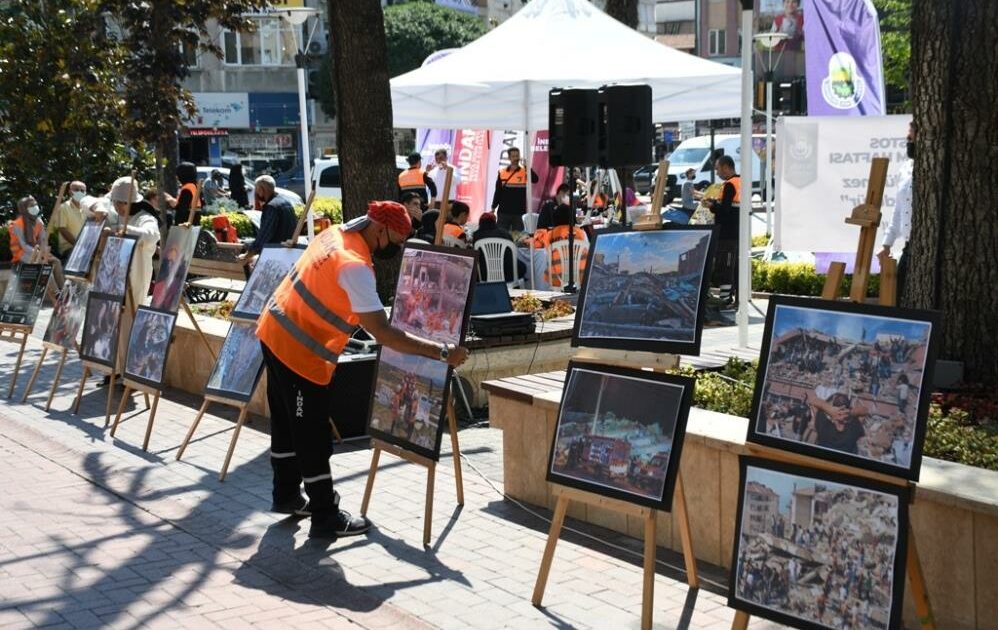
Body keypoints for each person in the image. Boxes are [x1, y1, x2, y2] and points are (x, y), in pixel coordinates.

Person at [255, 201, 470, 539]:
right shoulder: (354, 265)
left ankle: (286, 495)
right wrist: (440, 352)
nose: (396, 249)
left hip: (274, 329)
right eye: (396, 242)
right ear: (379, 229)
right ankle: (324, 515)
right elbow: (382, 333)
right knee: (310, 433)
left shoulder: (334, 235)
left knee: (285, 421)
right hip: (299, 351)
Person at [98, 176, 161, 381]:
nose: (117, 207)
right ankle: (113, 369)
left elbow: (151, 235)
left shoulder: (144, 218)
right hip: (114, 280)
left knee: (130, 325)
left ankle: (131, 372)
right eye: (115, 203)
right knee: (112, 325)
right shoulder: (115, 215)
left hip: (134, 282)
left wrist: (126, 230)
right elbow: (90, 204)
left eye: (120, 203)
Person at [879, 122, 915, 297]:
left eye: (912, 138)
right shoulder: (905, 168)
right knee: (899, 294)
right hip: (910, 248)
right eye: (908, 138)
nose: (909, 142)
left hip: (932, 248)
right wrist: (887, 245)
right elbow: (898, 210)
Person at [239, 175, 297, 271]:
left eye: (257, 190)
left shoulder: (271, 207)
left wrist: (246, 256)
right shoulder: (286, 202)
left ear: (261, 189)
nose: (256, 193)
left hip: (275, 256)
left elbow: (264, 237)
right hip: (287, 253)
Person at [704, 155, 740, 304]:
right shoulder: (740, 181)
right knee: (733, 266)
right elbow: (730, 206)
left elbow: (724, 210)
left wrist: (711, 206)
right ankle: (734, 296)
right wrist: (714, 203)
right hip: (737, 230)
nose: (717, 172)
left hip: (727, 233)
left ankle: (725, 299)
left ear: (726, 167)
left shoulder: (730, 185)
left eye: (718, 168)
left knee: (725, 265)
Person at [10, 196, 66, 287]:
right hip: (21, 254)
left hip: (37, 252)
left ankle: (64, 291)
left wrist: (44, 251)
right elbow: (23, 246)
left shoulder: (38, 221)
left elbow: (43, 239)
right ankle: (56, 294)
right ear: (24, 209)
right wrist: (39, 254)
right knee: (44, 269)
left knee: (56, 262)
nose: (35, 207)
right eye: (31, 206)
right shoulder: (16, 224)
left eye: (35, 204)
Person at [528, 204, 588, 289]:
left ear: (555, 218)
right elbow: (587, 250)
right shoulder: (581, 233)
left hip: (556, 278)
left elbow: (538, 247)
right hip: (579, 276)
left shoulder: (549, 234)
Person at [491, 147, 539, 232]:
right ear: (509, 158)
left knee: (518, 239)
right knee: (501, 235)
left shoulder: (525, 171)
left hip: (519, 212)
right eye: (513, 156)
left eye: (517, 156)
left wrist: (527, 167)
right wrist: (493, 207)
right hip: (503, 212)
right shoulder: (502, 172)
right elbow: (498, 191)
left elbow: (535, 179)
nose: (516, 158)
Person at [472, 211, 525, 282]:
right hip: (508, 274)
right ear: (494, 222)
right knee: (523, 267)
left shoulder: (476, 235)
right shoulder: (505, 234)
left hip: (484, 275)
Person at [49, 180, 91, 263]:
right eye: (76, 190)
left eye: (82, 190)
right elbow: (62, 229)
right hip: (69, 248)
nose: (79, 192)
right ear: (70, 192)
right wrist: (78, 245)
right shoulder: (63, 208)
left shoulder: (87, 209)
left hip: (85, 248)